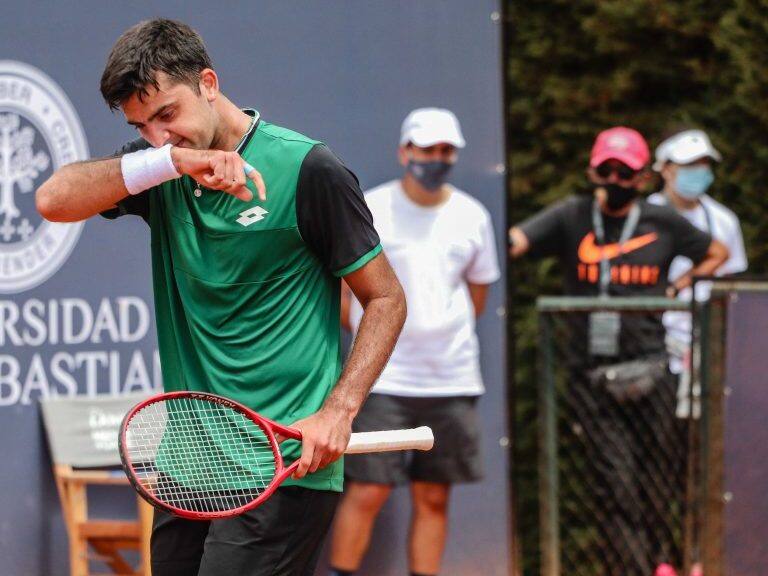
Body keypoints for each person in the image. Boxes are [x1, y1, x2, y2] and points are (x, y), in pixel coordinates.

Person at [35, 19, 407, 576]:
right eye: (143, 125)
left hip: (281, 463)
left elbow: (386, 299)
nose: (160, 135)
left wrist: (339, 410)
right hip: (188, 470)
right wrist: (170, 163)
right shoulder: (159, 168)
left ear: (209, 83)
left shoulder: (310, 170)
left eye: (168, 114)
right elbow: (52, 199)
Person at [508, 127, 729, 576]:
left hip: (651, 367)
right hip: (591, 376)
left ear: (643, 178)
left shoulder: (661, 221)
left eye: (625, 172)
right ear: (592, 170)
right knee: (615, 485)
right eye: (607, 169)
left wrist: (683, 282)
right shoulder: (572, 215)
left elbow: (717, 252)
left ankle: (663, 563)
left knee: (657, 481)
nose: (615, 179)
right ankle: (636, 568)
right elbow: (515, 242)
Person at [328, 108, 500, 576]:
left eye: (446, 150)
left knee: (434, 496)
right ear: (406, 152)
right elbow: (347, 290)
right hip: (382, 380)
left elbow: (477, 294)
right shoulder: (374, 207)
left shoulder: (471, 216)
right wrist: (375, 344)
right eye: (427, 149)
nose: (436, 158)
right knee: (366, 491)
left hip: (451, 379)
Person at [648, 129, 748, 418]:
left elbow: (734, 283)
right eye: (689, 166)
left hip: (707, 348)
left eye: (704, 165)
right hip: (655, 346)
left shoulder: (724, 221)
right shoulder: (643, 216)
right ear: (665, 170)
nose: (699, 173)